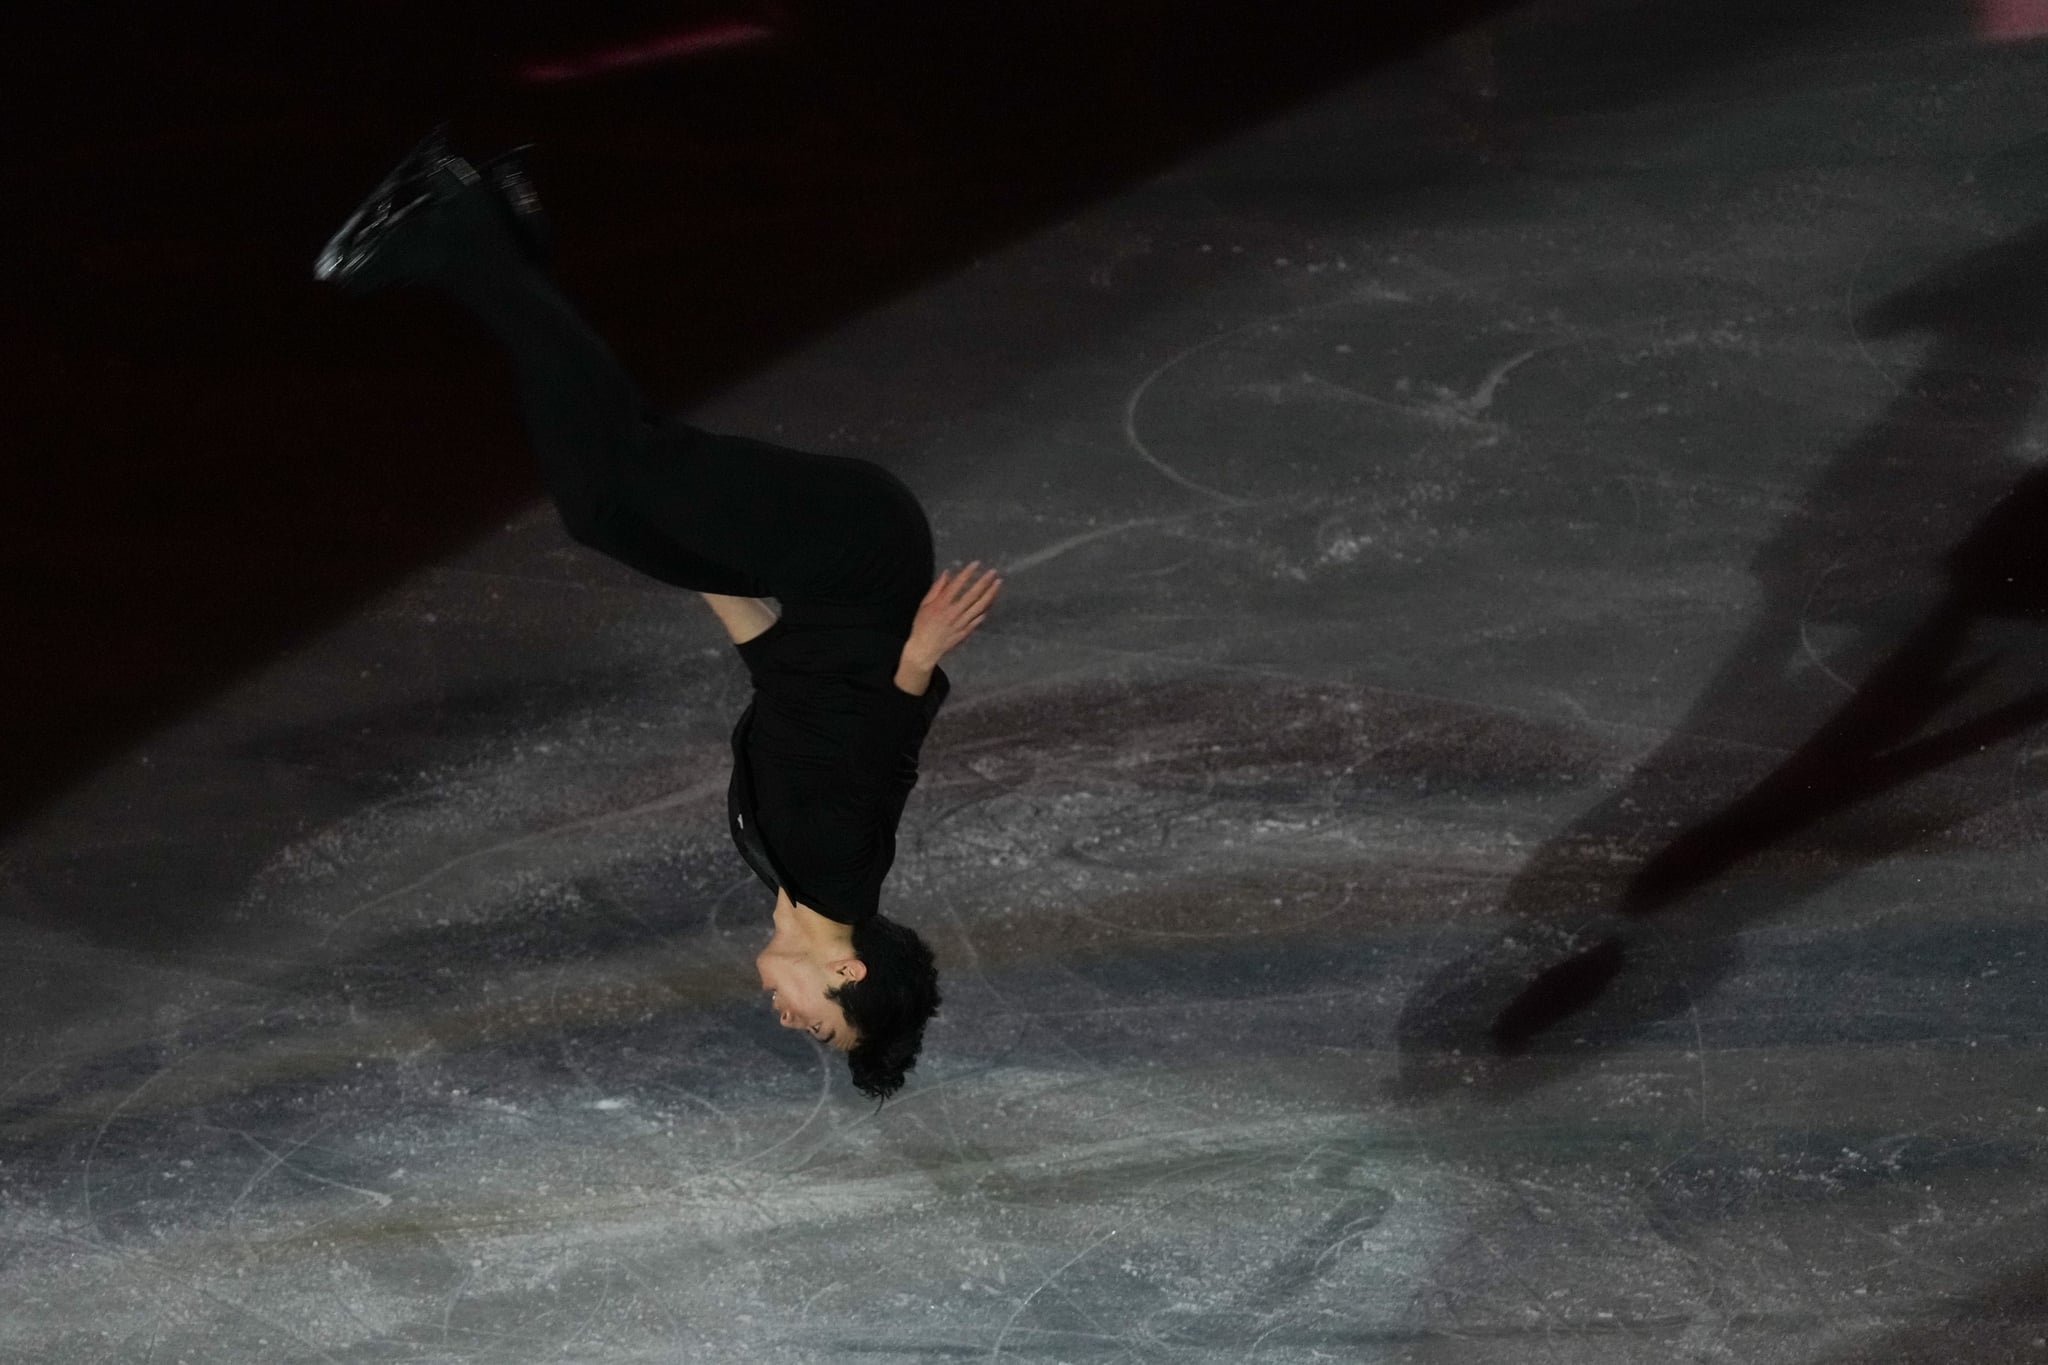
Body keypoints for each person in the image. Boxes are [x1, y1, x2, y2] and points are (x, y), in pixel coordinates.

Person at [314, 130, 1000, 1099]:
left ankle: (505, 236)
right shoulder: (837, 874)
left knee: (603, 507)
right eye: (825, 1028)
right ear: (847, 975)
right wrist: (921, 653)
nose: (794, 1023)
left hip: (811, 588)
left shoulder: (785, 874)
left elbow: (790, 682)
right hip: (855, 549)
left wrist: (689, 559)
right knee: (632, 465)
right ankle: (459, 228)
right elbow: (884, 749)